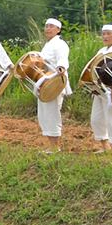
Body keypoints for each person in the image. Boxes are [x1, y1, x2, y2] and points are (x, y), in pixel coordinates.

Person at [88, 25, 112, 153]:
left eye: (109, 34)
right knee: (96, 118)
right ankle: (105, 146)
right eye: (103, 34)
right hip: (100, 89)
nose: (105, 36)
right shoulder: (101, 50)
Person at [37, 18, 71, 154]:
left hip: (56, 82)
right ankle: (51, 144)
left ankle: (56, 146)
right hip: (46, 83)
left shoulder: (60, 44)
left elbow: (63, 58)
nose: (48, 29)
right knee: (44, 114)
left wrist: (61, 67)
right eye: (46, 26)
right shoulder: (47, 45)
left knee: (52, 113)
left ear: (58, 30)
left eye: (51, 26)